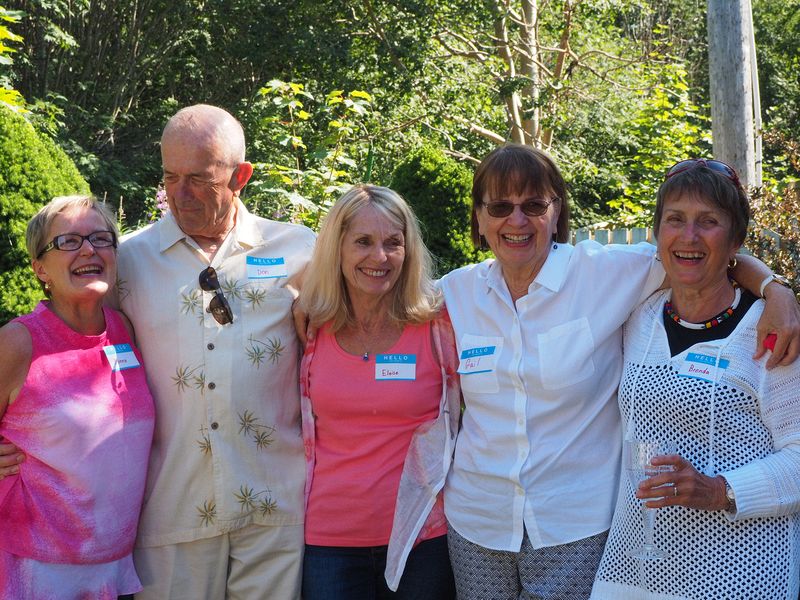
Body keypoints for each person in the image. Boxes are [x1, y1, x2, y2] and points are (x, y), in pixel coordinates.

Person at [438, 145, 800, 599]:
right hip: (478, 521)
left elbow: (701, 254)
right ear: (478, 217)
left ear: (557, 213)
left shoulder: (608, 274)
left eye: (533, 205)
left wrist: (775, 290)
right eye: (499, 207)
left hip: (576, 526)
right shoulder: (455, 292)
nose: (516, 221)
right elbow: (381, 295)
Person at [112, 105, 315, 598]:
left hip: (275, 503)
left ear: (240, 176)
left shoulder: (300, 251)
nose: (179, 195)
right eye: (170, 176)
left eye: (199, 179)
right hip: (172, 508)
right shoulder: (128, 261)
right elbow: (83, 358)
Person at [590, 159, 800, 599]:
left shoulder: (771, 333)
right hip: (638, 568)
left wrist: (720, 490)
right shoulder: (640, 314)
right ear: (657, 233)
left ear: (735, 240)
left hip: (740, 573)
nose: (689, 237)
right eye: (675, 220)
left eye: (708, 222)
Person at [298, 184, 459, 599]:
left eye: (393, 243)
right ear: (338, 247)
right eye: (363, 242)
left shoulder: (438, 324)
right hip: (329, 541)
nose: (379, 257)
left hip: (421, 535)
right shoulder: (310, 326)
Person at [0, 195, 155, 599]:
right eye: (67, 241)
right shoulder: (18, 342)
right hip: (36, 567)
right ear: (40, 269)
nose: (89, 249)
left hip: (114, 563)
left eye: (101, 238)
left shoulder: (124, 330)